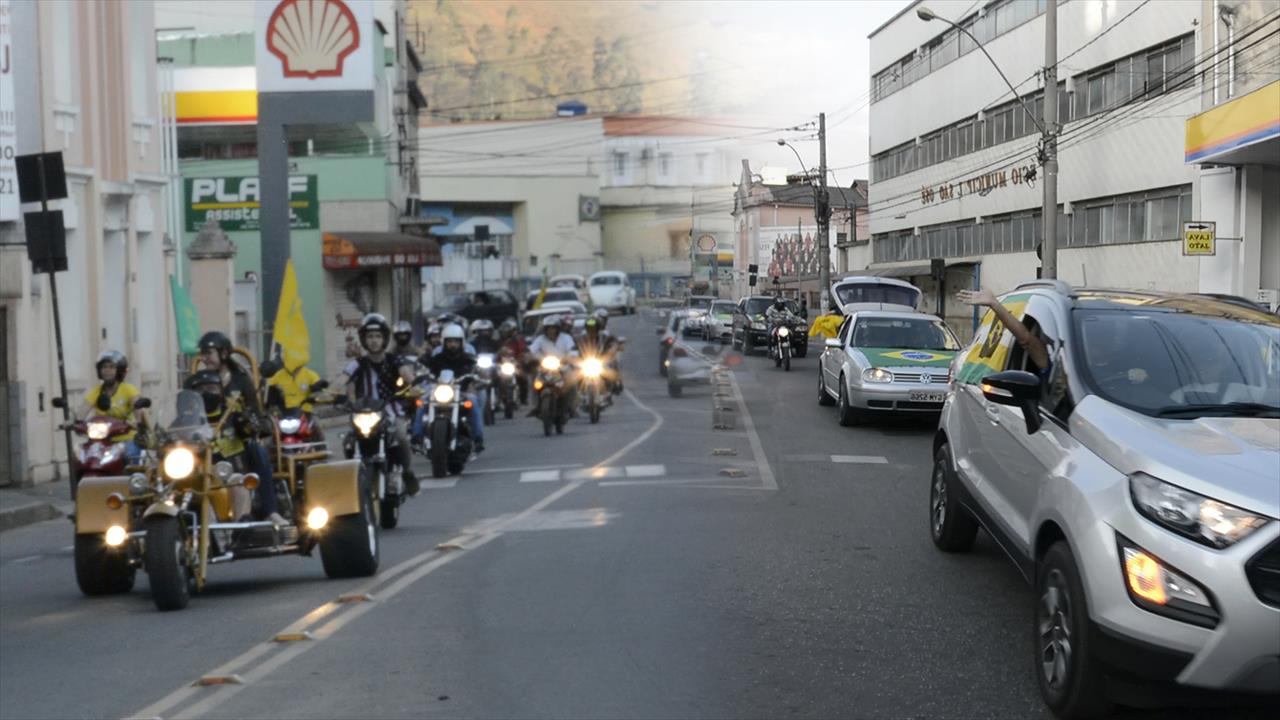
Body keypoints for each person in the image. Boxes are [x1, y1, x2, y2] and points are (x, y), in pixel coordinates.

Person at [196, 331, 284, 525]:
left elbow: (255, 410)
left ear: (224, 354)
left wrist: (250, 422)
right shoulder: (198, 380)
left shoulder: (241, 380)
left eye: (208, 353)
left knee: (257, 450)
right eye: (202, 354)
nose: (204, 358)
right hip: (206, 439)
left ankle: (270, 510)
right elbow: (186, 410)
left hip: (237, 438)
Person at [338, 314, 420, 496]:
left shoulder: (394, 360)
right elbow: (342, 380)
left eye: (377, 336)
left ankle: (407, 473)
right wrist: (330, 392)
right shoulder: (356, 363)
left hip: (390, 411)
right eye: (369, 337)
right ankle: (354, 479)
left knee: (401, 434)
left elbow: (407, 375)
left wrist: (415, 386)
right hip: (363, 413)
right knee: (349, 441)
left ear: (384, 338)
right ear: (363, 340)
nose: (374, 341)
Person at [77, 350, 147, 464]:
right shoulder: (96, 392)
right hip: (101, 441)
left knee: (130, 459)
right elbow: (83, 410)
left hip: (125, 439)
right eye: (104, 367)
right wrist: (74, 421)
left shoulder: (128, 390)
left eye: (111, 367)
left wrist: (137, 423)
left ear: (119, 371)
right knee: (82, 459)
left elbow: (138, 410)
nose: (107, 370)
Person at [426, 324, 485, 453]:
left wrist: (477, 378)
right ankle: (417, 437)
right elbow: (427, 371)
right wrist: (422, 374)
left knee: (473, 401)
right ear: (444, 342)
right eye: (449, 341)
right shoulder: (437, 358)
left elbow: (478, 372)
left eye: (456, 341)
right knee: (422, 402)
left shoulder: (468, 359)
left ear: (461, 342)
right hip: (440, 392)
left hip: (462, 393)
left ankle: (478, 438)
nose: (453, 345)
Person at [262, 356, 326, 443]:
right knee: (273, 433)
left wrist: (318, 386)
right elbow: (267, 386)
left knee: (315, 428)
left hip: (304, 412)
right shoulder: (280, 375)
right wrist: (263, 383)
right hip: (285, 413)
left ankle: (321, 446)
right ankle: (274, 449)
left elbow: (319, 385)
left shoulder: (309, 374)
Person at [529, 314, 579, 417]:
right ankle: (535, 406)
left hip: (563, 367)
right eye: (549, 328)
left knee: (572, 380)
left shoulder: (566, 338)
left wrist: (569, 358)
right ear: (545, 329)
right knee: (534, 381)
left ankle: (571, 406)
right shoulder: (540, 339)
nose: (551, 331)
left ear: (558, 329)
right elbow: (531, 351)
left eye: (553, 328)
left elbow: (572, 351)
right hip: (545, 368)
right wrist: (531, 358)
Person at [498, 319, 531, 404]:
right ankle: (497, 398)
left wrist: (523, 358)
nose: (506, 333)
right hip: (502, 364)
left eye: (509, 331)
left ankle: (524, 398)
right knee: (496, 379)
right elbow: (496, 353)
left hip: (516, 362)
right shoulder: (499, 341)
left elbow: (524, 351)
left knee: (523, 378)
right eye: (504, 331)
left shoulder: (519, 340)